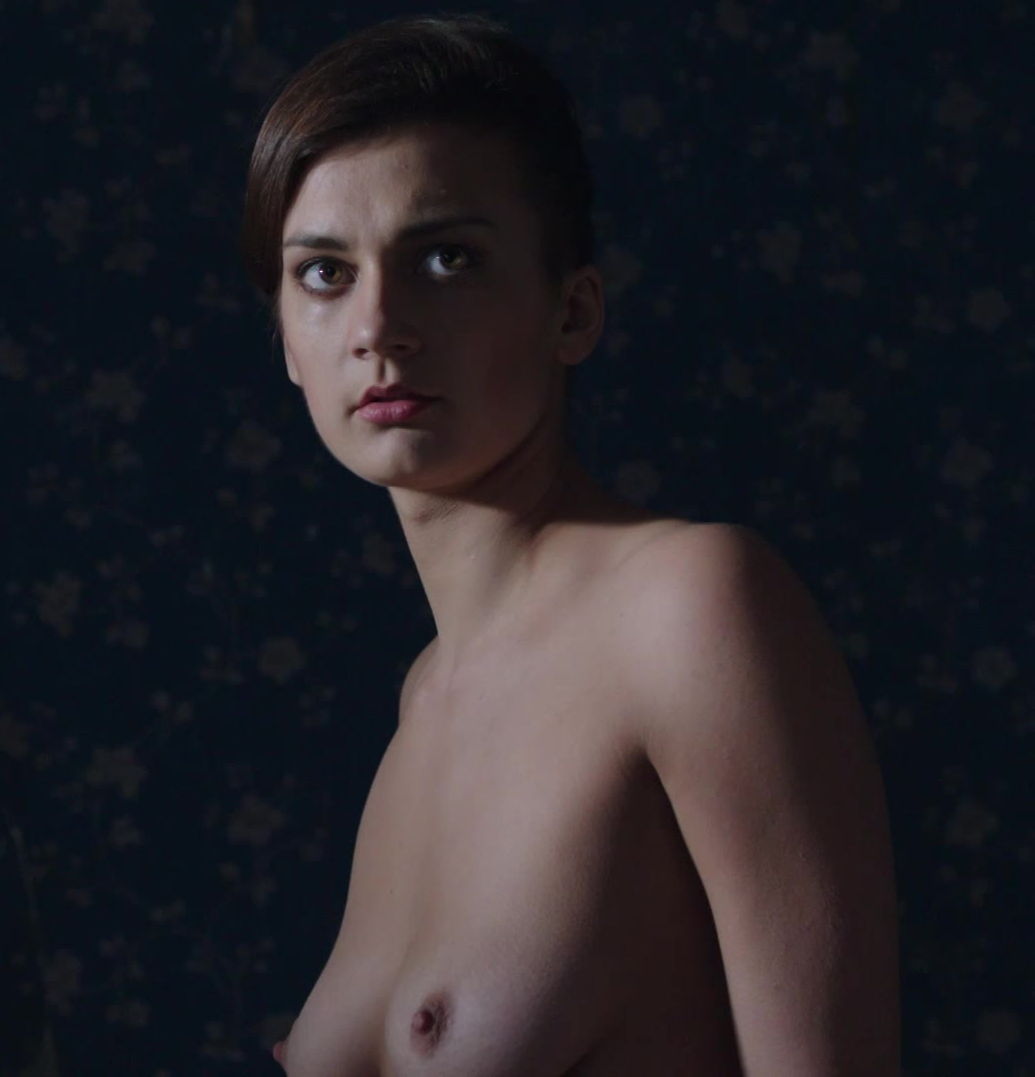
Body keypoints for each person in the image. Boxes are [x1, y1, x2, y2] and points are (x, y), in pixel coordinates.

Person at [241, 13, 900, 1076]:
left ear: (573, 311)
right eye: (324, 273)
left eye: (446, 257)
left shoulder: (690, 604)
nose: (378, 325)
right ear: (284, 339)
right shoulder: (424, 700)